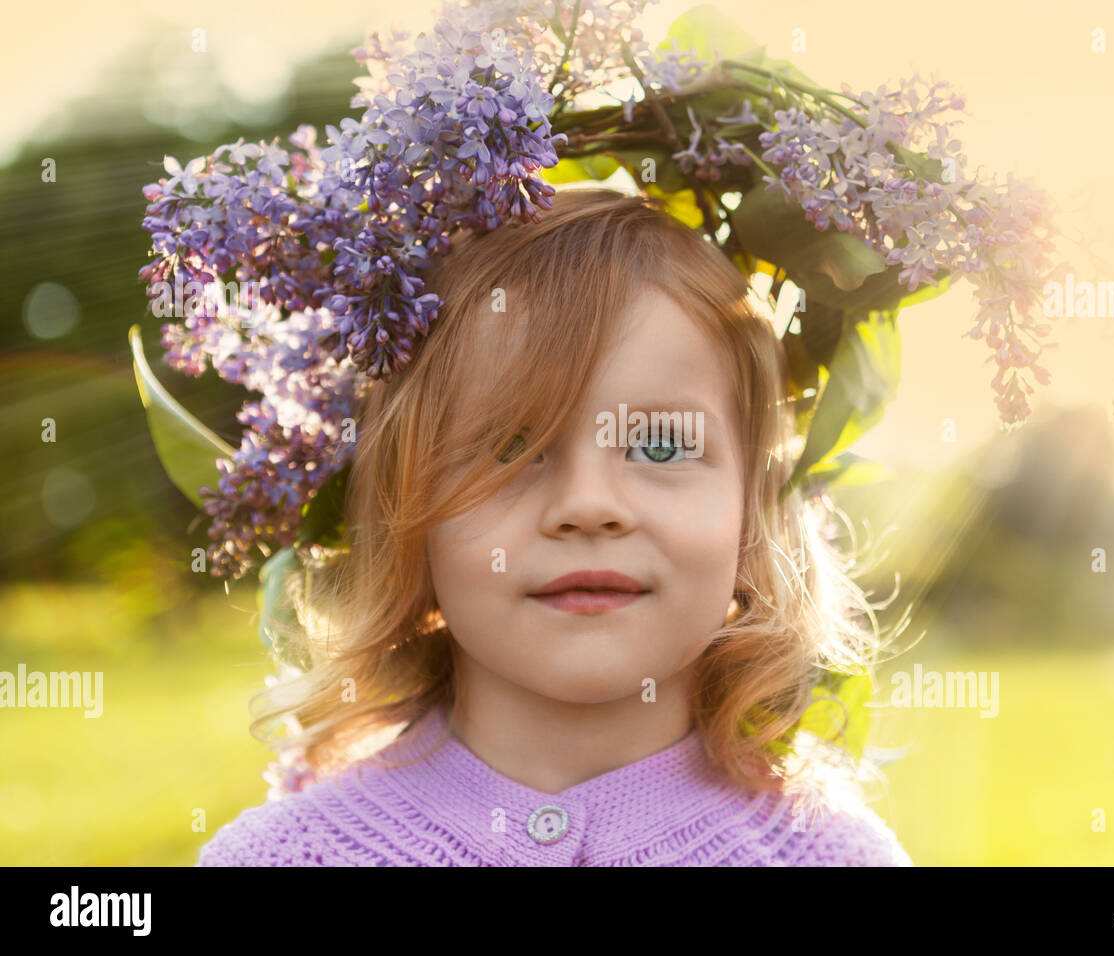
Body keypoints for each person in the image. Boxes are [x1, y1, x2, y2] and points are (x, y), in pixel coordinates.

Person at [195, 186, 912, 866]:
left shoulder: (834, 856)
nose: (588, 504)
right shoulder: (283, 856)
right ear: (403, 509)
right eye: (511, 448)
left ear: (754, 509)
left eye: (660, 444)